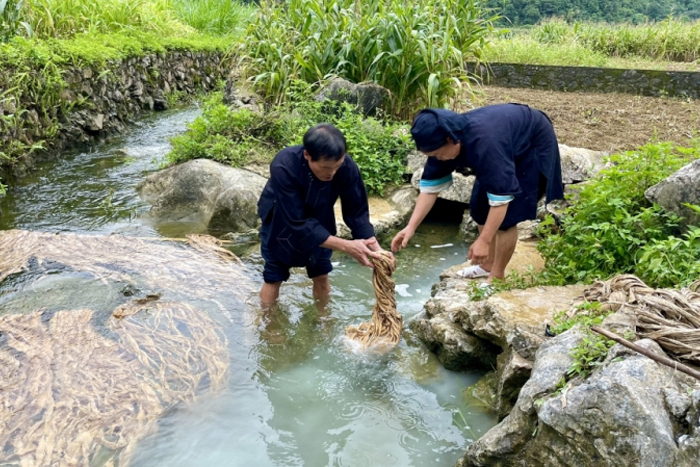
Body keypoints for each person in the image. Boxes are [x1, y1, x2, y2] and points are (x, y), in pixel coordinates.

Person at [391, 104, 563, 284]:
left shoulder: (486, 143)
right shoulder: (441, 143)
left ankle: (496, 276)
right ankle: (486, 266)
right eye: (432, 155)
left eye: (438, 154)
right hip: (502, 141)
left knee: (507, 218)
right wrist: (410, 227)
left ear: (452, 140)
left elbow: (501, 199)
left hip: (531, 143)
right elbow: (430, 190)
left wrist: (484, 241)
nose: (437, 159)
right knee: (480, 208)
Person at [258, 123, 384, 308]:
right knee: (274, 276)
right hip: (282, 217)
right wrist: (347, 246)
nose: (332, 173)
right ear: (307, 155)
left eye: (337, 166)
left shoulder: (346, 166)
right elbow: (297, 221)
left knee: (321, 272)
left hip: (320, 215)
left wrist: (375, 248)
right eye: (325, 167)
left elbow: (356, 210)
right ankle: (269, 326)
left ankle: (323, 320)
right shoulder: (284, 165)